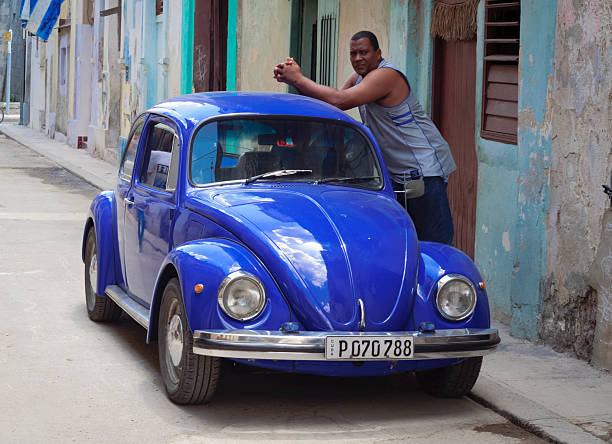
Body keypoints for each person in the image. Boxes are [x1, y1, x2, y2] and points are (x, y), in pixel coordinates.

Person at [273, 30, 456, 245]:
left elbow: (340, 100)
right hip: (397, 176)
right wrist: (295, 81)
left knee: (433, 245)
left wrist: (300, 79)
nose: (358, 58)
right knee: (405, 243)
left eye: (364, 52)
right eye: (353, 54)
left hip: (424, 172)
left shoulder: (386, 76)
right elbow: (331, 105)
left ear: (378, 54)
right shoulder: (360, 78)